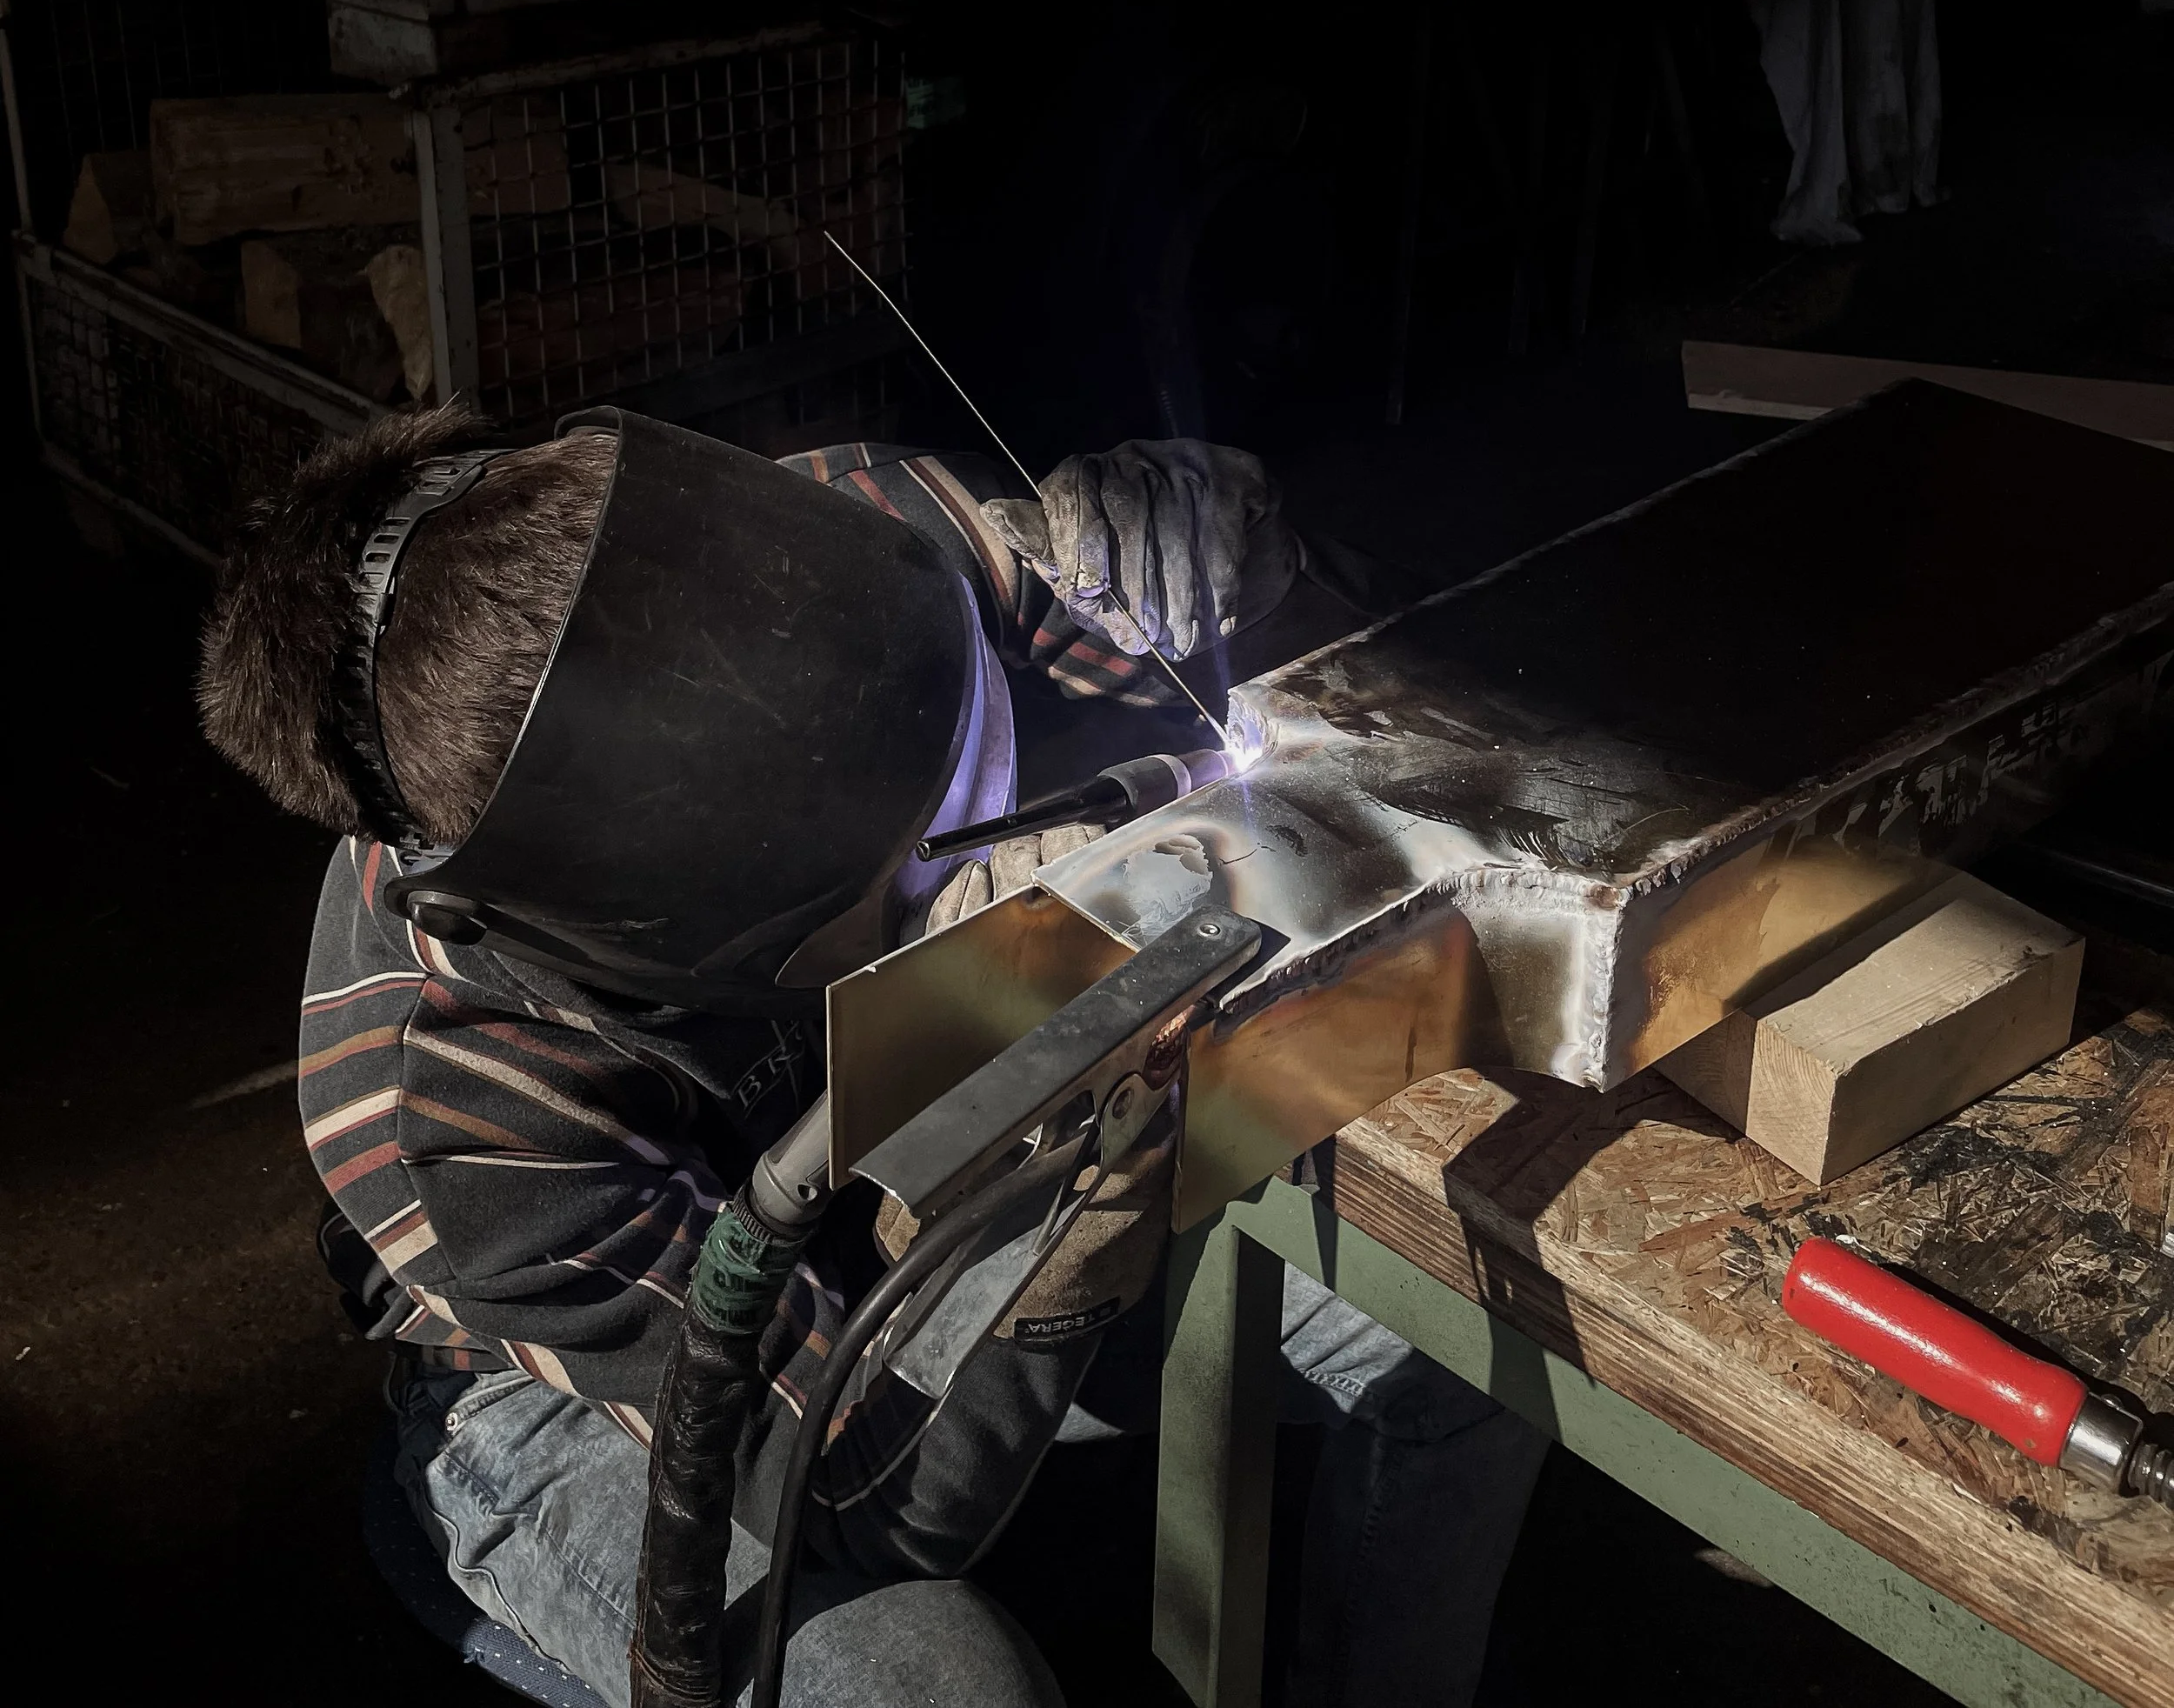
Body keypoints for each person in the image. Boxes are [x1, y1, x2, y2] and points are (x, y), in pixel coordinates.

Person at [199, 404, 1544, 1708]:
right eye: (900, 866)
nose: (965, 840)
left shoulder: (858, 548)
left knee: (1457, 1334)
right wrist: (1079, 1229)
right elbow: (854, 1496)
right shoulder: (457, 1096)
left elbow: (1350, 713)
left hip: (898, 1182)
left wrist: (1258, 576)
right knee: (947, 1687)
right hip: (576, 1395)